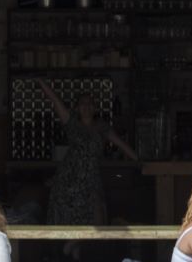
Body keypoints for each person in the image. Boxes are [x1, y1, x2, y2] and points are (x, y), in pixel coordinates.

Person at [46, 87, 136, 234]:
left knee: (97, 219)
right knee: (70, 220)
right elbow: (55, 101)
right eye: (83, 103)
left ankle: (76, 245)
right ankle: (70, 246)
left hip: (91, 180)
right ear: (77, 108)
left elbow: (120, 144)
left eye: (90, 103)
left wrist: (140, 160)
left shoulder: (101, 127)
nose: (86, 106)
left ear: (95, 108)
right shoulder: (72, 124)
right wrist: (40, 81)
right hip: (69, 180)